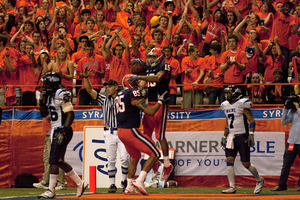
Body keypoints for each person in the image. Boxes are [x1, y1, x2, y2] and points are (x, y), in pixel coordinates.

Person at [115, 74, 170, 195]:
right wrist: (160, 101)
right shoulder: (132, 93)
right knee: (155, 153)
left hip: (120, 131)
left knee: (134, 158)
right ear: (132, 84)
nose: (139, 85)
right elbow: (150, 111)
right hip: (130, 130)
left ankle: (129, 186)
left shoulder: (120, 94)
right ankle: (140, 180)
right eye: (136, 83)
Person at [38, 72, 88, 199]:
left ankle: (51, 190)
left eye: (46, 83)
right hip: (55, 129)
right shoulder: (49, 95)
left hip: (62, 128)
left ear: (52, 83)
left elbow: (70, 113)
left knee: (53, 160)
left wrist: (64, 130)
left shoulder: (60, 93)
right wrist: (41, 102)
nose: (44, 86)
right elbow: (44, 114)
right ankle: (80, 183)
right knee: (58, 161)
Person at [128, 50, 174, 182]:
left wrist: (139, 77)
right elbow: (144, 83)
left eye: (153, 56)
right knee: (146, 135)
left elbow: (157, 78)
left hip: (161, 102)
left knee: (160, 135)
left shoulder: (164, 66)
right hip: (150, 102)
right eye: (149, 56)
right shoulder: (147, 67)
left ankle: (167, 164)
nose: (151, 59)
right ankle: (154, 162)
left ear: (160, 57)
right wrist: (139, 87)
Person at [83, 68, 129, 193]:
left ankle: (124, 181)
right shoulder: (104, 99)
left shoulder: (123, 98)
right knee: (111, 159)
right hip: (109, 131)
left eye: (109, 87)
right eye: (106, 87)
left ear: (115, 87)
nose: (107, 89)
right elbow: (89, 90)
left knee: (125, 158)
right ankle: (112, 184)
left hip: (122, 131)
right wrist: (86, 78)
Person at [220, 85, 264, 194]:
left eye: (229, 93)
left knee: (246, 163)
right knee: (229, 160)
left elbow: (252, 121)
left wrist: (251, 134)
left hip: (242, 135)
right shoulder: (225, 105)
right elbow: (227, 122)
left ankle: (259, 179)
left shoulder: (242, 104)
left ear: (235, 93)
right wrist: (224, 136)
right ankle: (232, 187)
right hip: (231, 136)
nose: (227, 95)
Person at [271, 94, 300, 191]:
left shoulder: (298, 110)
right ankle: (282, 185)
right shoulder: (293, 111)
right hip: (291, 142)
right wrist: (285, 108)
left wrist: (298, 108)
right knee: (285, 165)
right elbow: (284, 122)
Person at [33, 117, 67, 190]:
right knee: (47, 159)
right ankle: (46, 181)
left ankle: (61, 183)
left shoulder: (54, 108)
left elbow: (50, 116)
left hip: (53, 134)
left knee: (56, 159)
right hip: (48, 135)